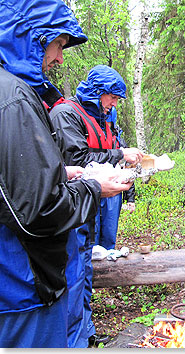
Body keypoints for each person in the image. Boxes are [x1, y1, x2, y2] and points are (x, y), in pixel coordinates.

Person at [0, 0, 132, 348]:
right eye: (58, 44)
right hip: (23, 282)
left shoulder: (23, 96)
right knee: (75, 278)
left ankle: (81, 332)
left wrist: (61, 173)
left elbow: (17, 179)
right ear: (30, 37)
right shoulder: (23, 101)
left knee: (86, 268)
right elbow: (37, 209)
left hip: (57, 237)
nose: (60, 58)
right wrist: (91, 183)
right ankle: (77, 334)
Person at [49, 64, 144, 347]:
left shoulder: (104, 116)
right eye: (112, 97)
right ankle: (70, 339)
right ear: (97, 92)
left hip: (95, 200)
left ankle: (85, 332)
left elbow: (108, 148)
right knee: (73, 271)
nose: (114, 103)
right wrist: (118, 153)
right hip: (72, 204)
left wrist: (128, 175)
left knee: (87, 265)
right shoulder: (67, 113)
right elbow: (77, 159)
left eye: (117, 98)